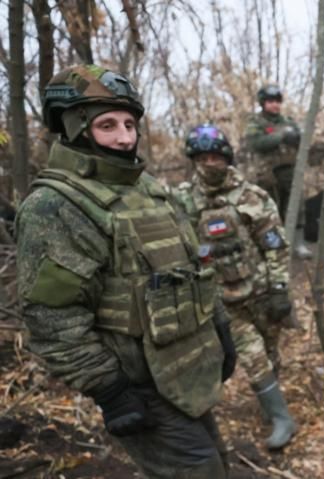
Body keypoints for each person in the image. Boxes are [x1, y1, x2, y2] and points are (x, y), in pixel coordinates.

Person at [15, 65, 237, 478]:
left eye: (129, 124)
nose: (124, 137)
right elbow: (52, 319)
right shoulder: (55, 206)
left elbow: (192, 266)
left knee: (217, 463)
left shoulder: (147, 189)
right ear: (74, 127)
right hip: (139, 385)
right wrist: (111, 391)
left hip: (183, 372)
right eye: (107, 125)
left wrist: (219, 327)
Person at [174, 123, 297, 449]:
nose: (209, 163)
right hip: (222, 300)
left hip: (261, 294)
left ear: (226, 157)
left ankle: (272, 401)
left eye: (215, 156)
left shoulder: (252, 197)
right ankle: (283, 418)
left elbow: (275, 245)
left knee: (270, 354)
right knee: (252, 354)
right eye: (202, 158)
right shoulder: (183, 200)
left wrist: (280, 289)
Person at [244, 84, 312, 259]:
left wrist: (299, 135)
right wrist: (280, 136)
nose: (275, 105)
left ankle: (298, 245)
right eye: (271, 101)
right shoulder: (255, 122)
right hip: (267, 173)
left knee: (295, 206)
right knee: (270, 210)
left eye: (277, 102)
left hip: (289, 171)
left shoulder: (287, 121)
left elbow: (303, 140)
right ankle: (273, 246)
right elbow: (255, 143)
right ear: (263, 103)